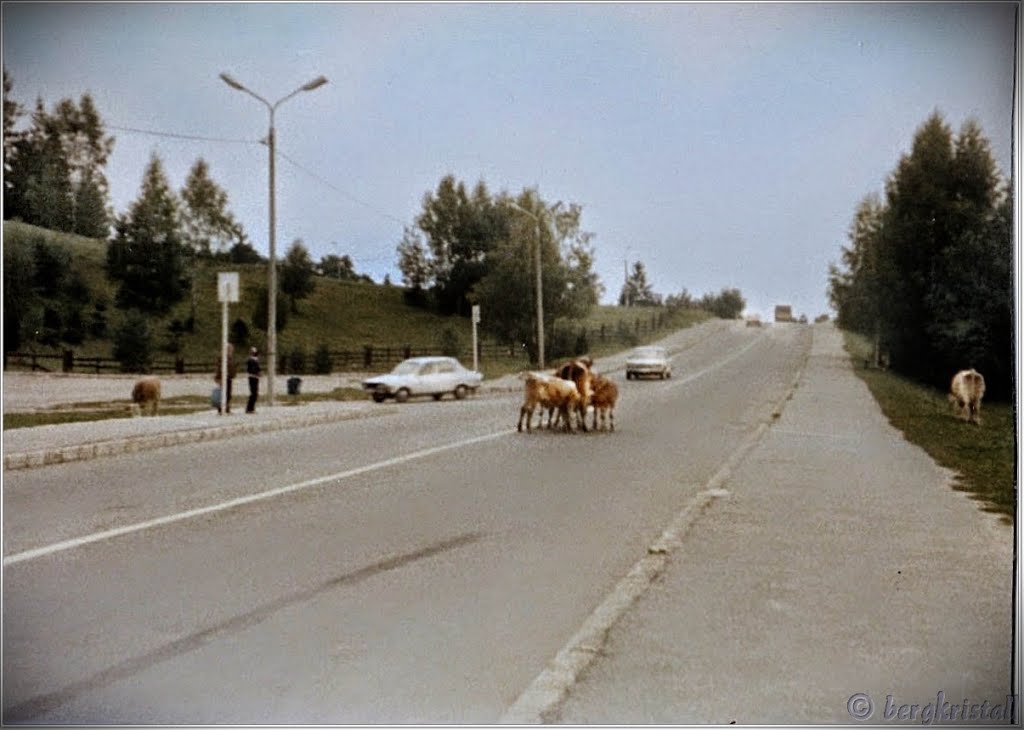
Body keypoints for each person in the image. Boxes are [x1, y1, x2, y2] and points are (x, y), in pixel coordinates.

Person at [215, 343, 237, 414]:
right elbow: (219, 368)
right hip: (224, 377)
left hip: (229, 377)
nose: (232, 351)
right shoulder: (223, 357)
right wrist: (218, 377)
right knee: (224, 393)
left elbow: (232, 367)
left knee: (228, 393)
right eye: (230, 349)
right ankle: (222, 408)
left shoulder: (230, 357)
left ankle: (226, 407)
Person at [246, 346, 261, 413]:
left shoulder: (254, 360)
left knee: (254, 393)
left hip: (254, 377)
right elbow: (252, 370)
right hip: (253, 377)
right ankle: (250, 408)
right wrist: (258, 373)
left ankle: (251, 408)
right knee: (254, 393)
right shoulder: (251, 360)